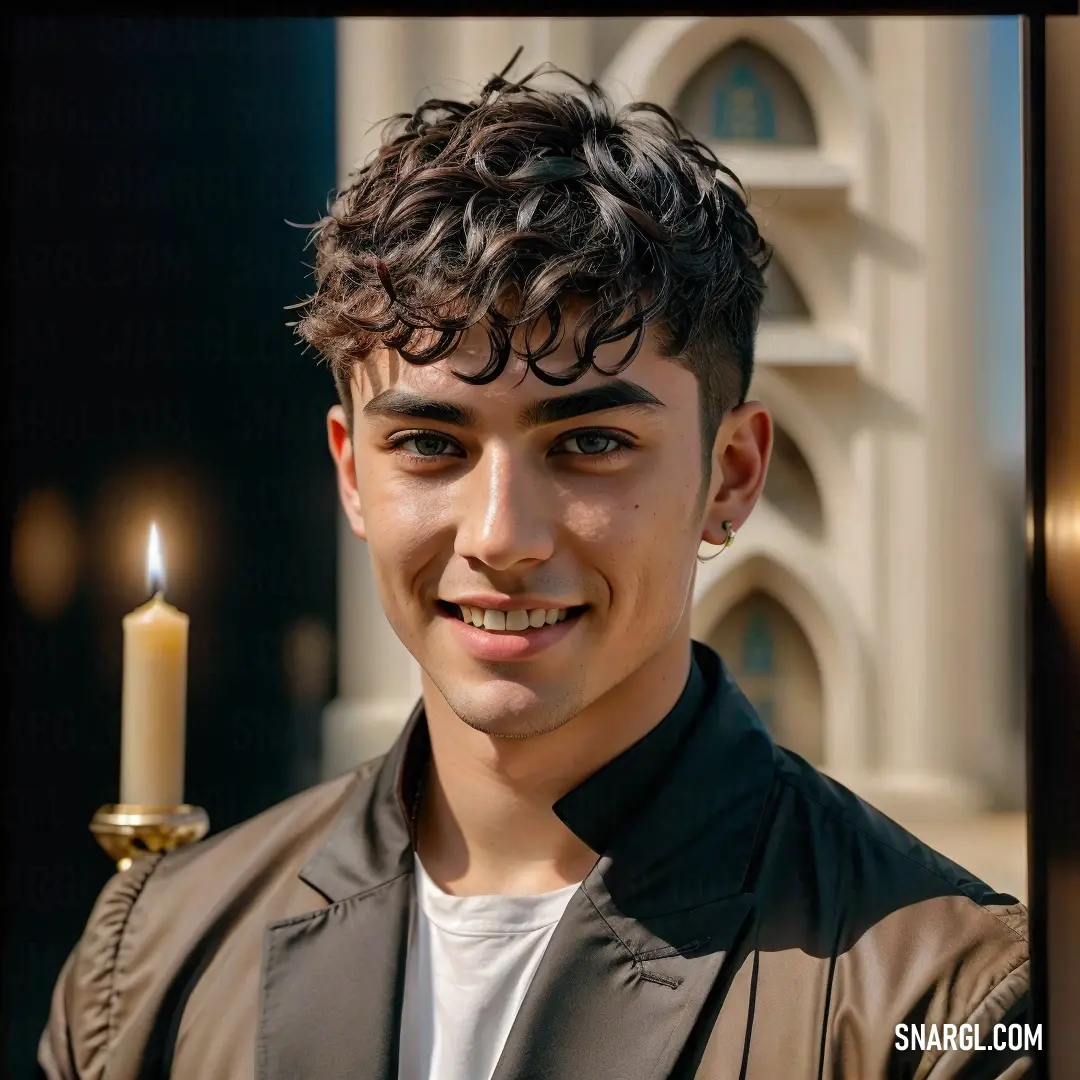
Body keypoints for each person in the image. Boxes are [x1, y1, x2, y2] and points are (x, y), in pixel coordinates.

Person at [39, 64, 1030, 1080]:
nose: (502, 536)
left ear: (731, 475)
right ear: (351, 474)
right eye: (430, 445)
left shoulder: (953, 1003)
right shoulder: (147, 968)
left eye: (590, 444)